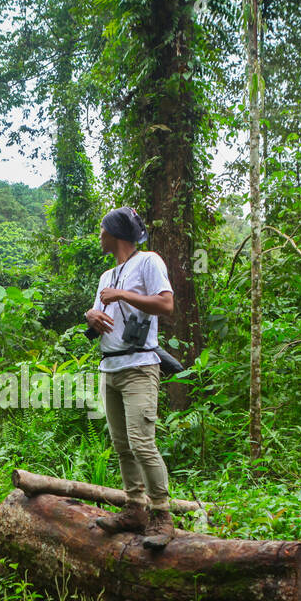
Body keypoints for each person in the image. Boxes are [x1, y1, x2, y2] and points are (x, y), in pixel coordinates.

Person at [84, 206, 175, 548]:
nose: (100, 236)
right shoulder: (106, 276)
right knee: (122, 445)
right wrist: (91, 315)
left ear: (117, 234)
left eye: (103, 230)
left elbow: (166, 305)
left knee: (142, 443)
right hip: (110, 367)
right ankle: (135, 507)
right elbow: (99, 319)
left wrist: (123, 295)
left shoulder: (149, 261)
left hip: (139, 366)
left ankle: (162, 515)